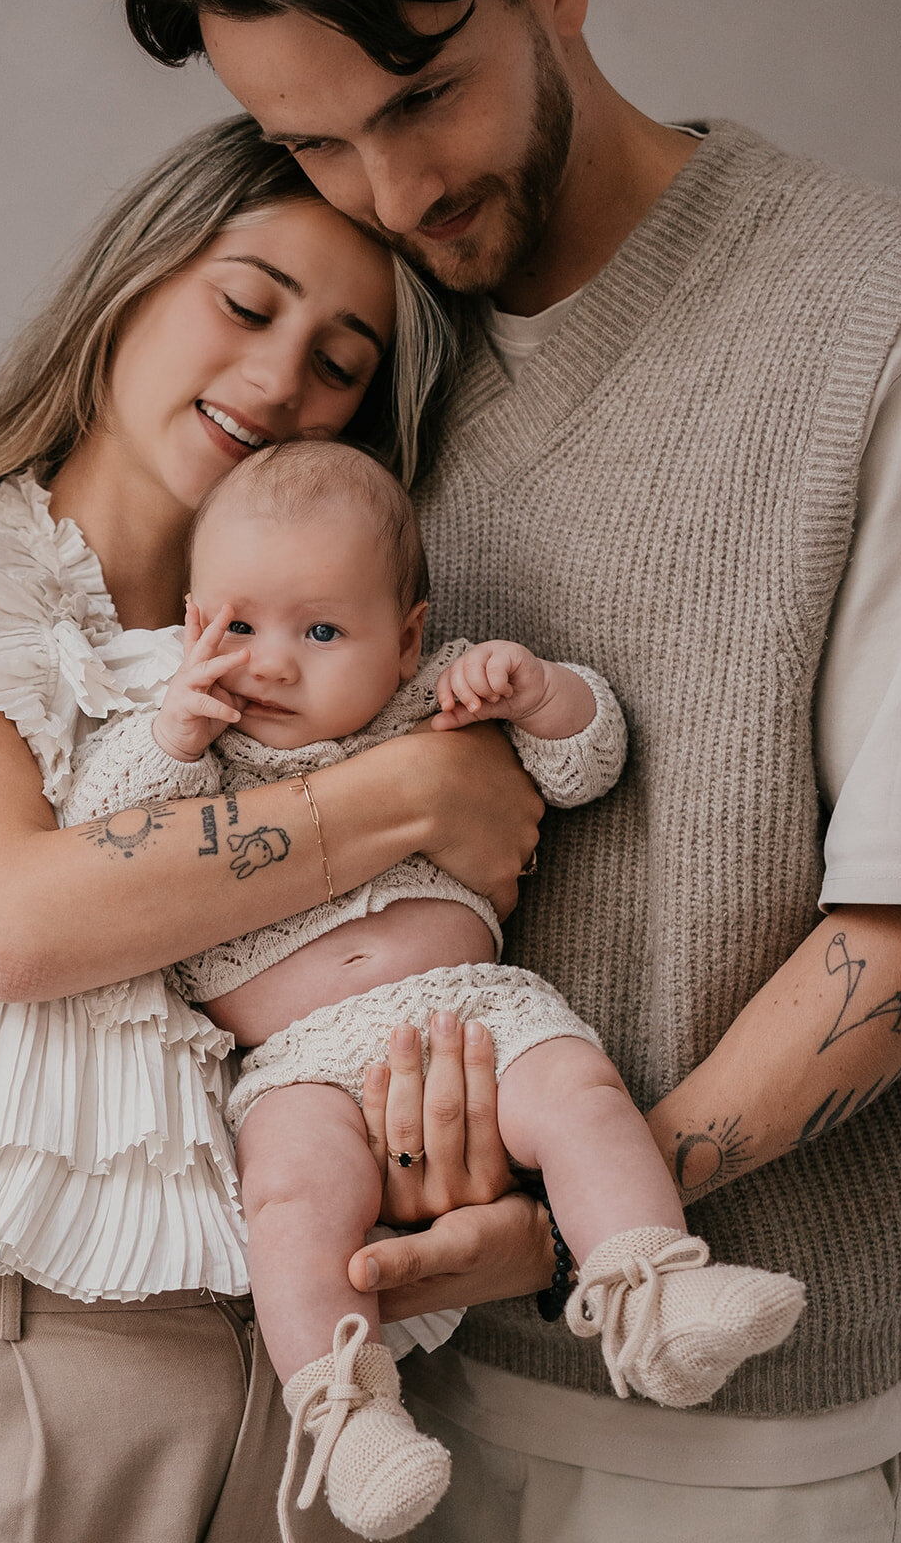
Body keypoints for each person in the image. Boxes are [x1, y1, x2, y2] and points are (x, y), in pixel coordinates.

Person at [123, 0, 901, 1539]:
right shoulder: (352, 333)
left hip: (717, 1432)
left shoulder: (878, 333)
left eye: (422, 95)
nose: (392, 189)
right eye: (311, 142)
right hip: (337, 1391)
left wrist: (565, 1220)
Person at [0, 112, 546, 1543]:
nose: (274, 378)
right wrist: (415, 794)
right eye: (245, 303)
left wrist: (482, 1202)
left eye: (339, 367)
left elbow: (393, 1009)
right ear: (130, 283)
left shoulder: (371, 679)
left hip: (312, 1392)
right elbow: (15, 923)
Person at [66, 438, 803, 1539]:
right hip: (296, 1065)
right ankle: (344, 1418)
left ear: (403, 636)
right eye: (236, 626)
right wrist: (173, 726)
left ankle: (650, 1288)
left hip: (476, 1008)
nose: (269, 662)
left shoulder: (432, 700)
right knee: (292, 1206)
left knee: (582, 1101)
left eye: (320, 631)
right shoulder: (190, 748)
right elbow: (96, 842)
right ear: (189, 623)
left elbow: (582, 761)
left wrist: (541, 692)